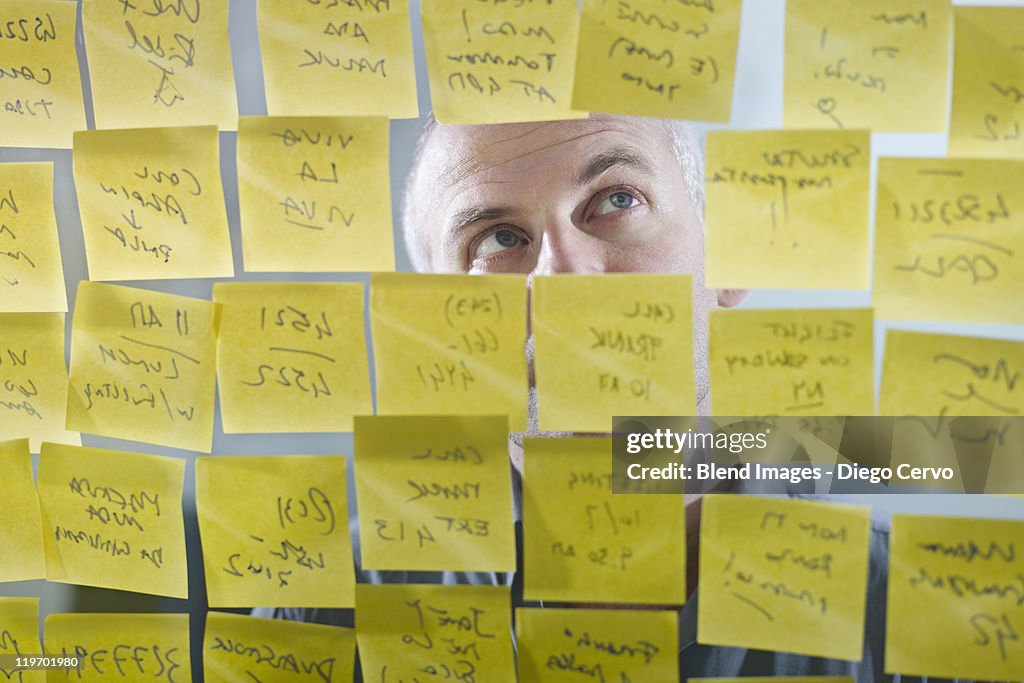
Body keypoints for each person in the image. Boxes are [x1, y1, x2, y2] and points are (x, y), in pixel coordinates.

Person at [259, 114, 972, 682]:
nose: (564, 279)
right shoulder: (320, 615)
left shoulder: (951, 624)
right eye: (499, 239)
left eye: (616, 200)